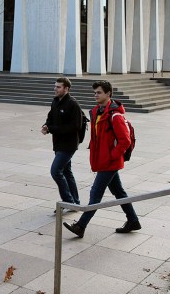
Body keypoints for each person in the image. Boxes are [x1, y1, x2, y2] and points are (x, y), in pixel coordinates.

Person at [63, 80, 140, 238]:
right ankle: (133, 220)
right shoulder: (97, 112)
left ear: (108, 94)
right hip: (103, 161)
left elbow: (124, 141)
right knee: (119, 192)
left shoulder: (116, 116)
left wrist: (111, 156)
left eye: (99, 92)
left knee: (95, 194)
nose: (95, 95)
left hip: (110, 163)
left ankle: (80, 226)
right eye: (95, 92)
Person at [42, 77, 82, 213]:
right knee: (66, 172)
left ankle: (68, 201)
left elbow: (75, 126)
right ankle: (75, 202)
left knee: (55, 171)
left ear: (66, 89)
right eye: (55, 86)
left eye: (58, 87)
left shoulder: (72, 104)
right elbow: (51, 116)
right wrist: (46, 125)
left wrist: (52, 129)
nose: (55, 89)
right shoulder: (55, 101)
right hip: (58, 143)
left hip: (69, 145)